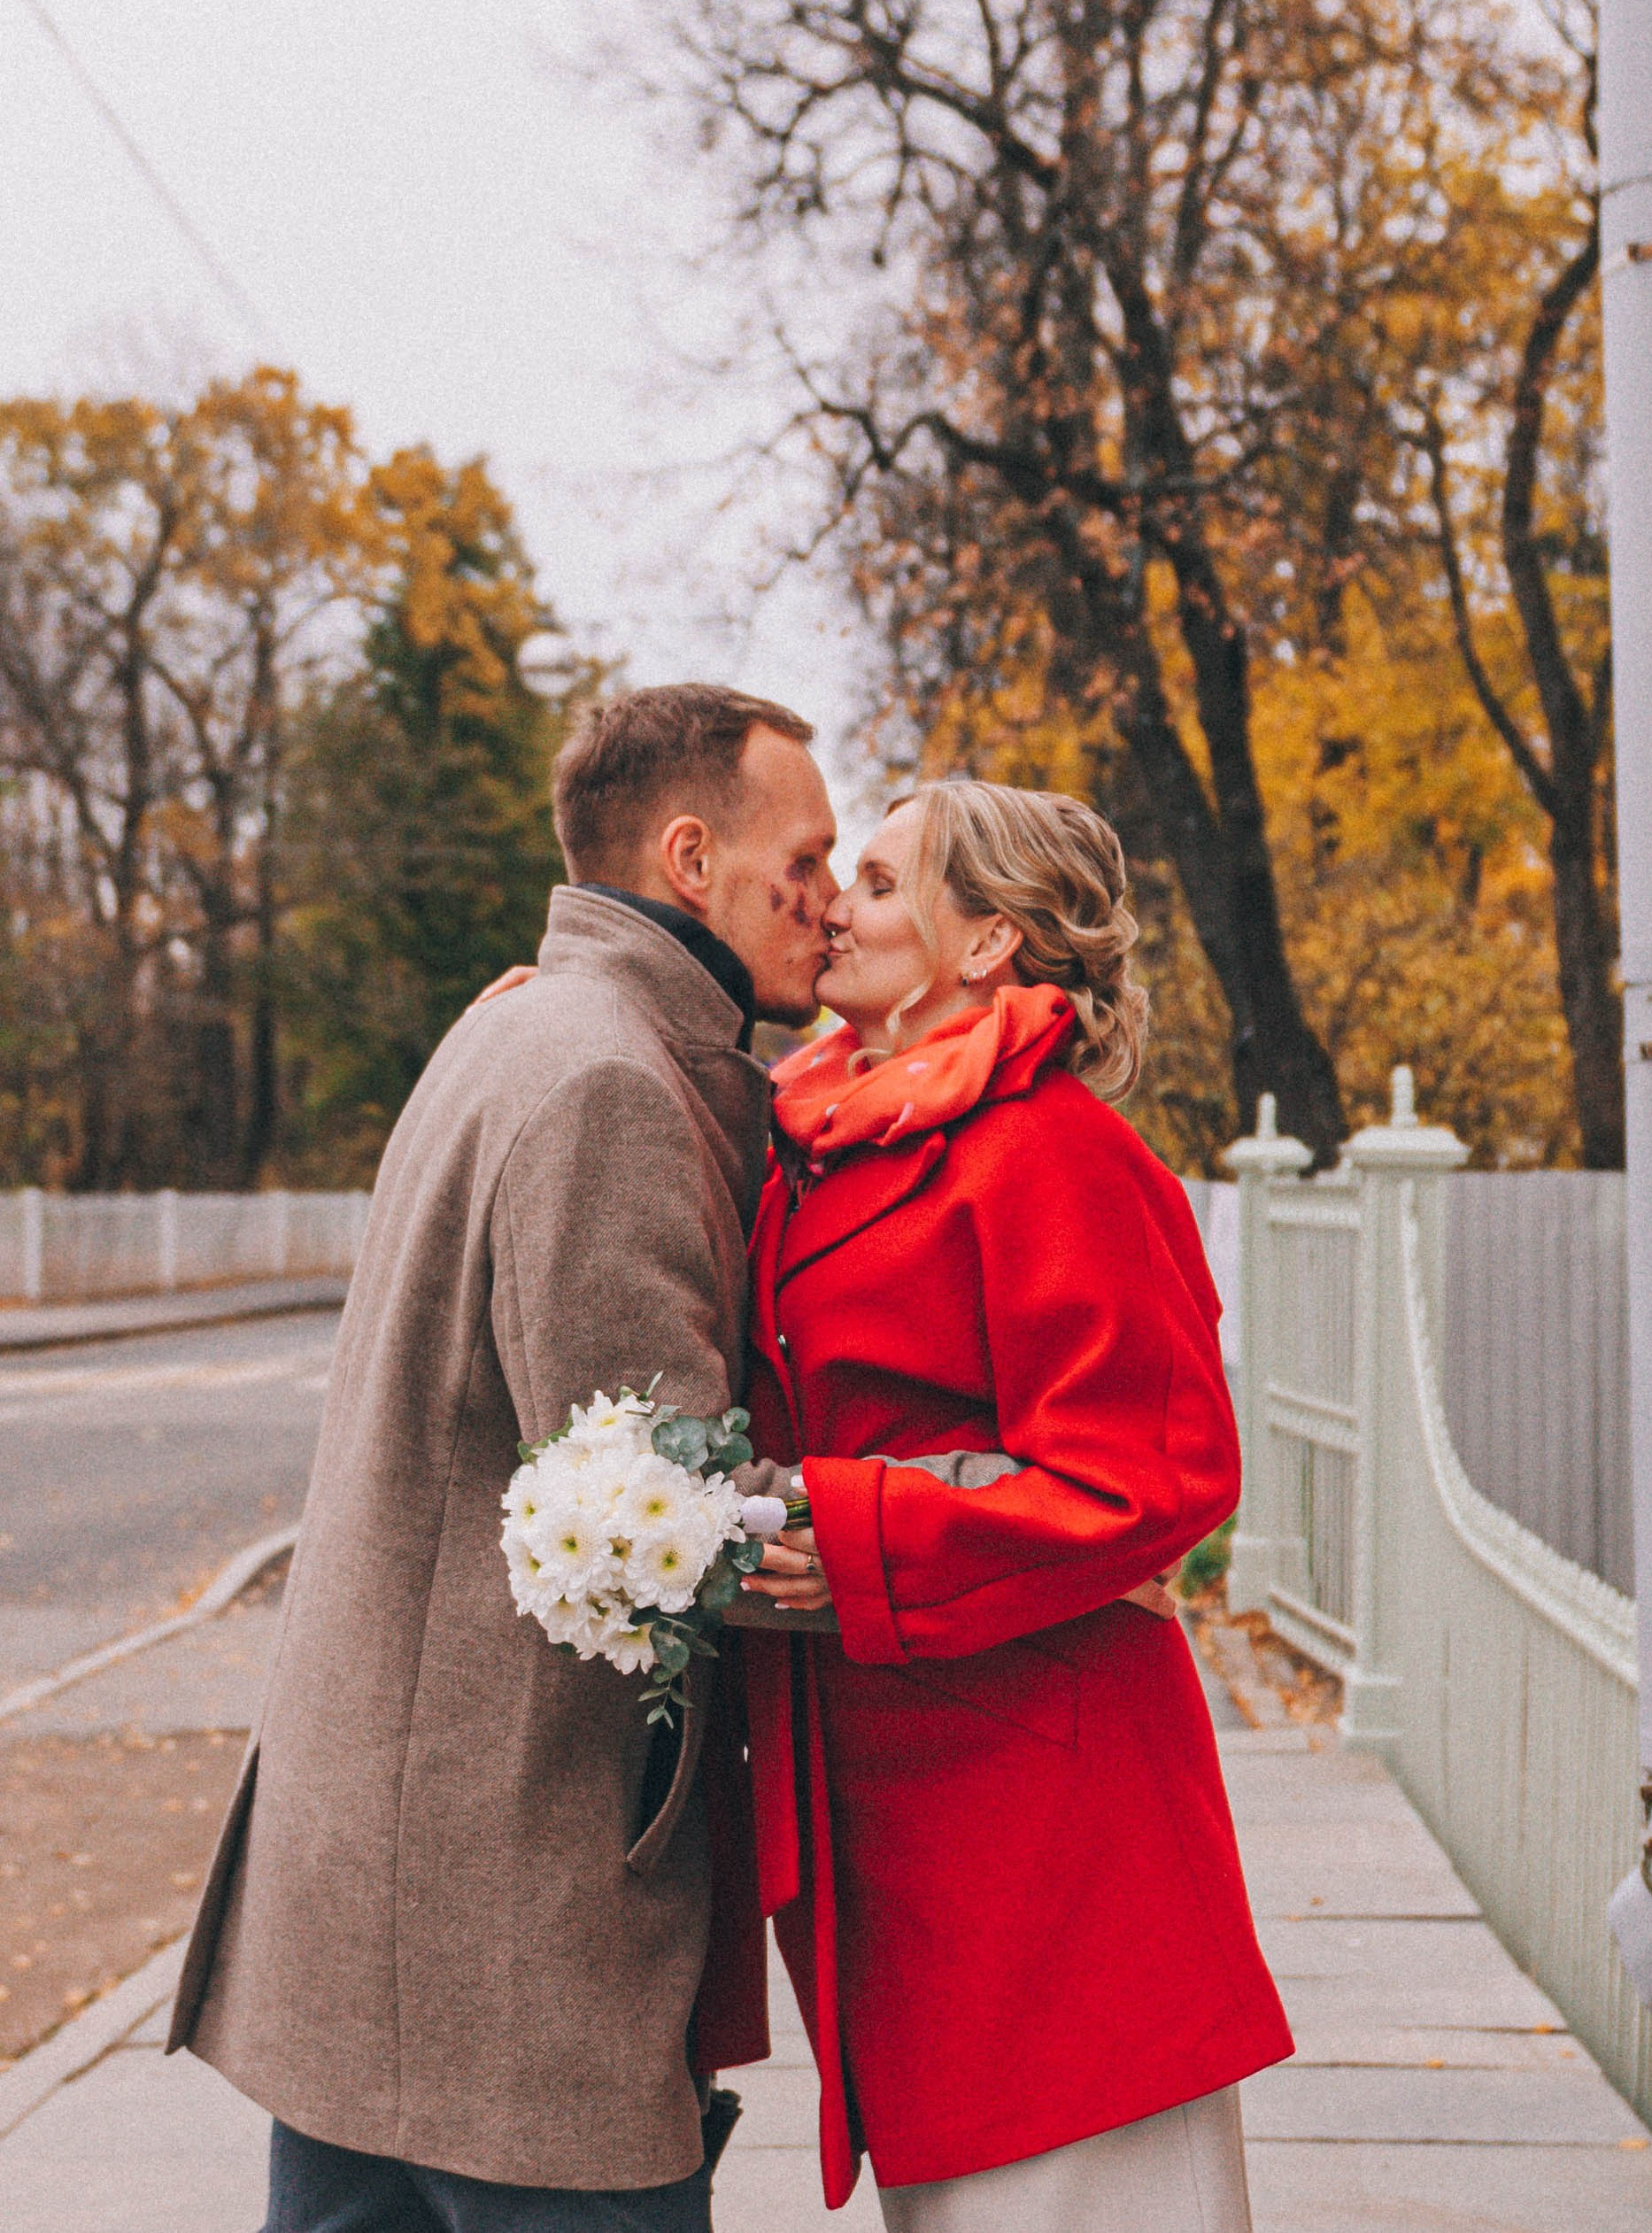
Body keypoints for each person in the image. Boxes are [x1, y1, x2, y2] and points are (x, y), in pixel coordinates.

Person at [171, 684, 840, 2233]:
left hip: (376, 1924)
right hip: (509, 1941)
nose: (824, 892)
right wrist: (1007, 1533)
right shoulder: (607, 1077)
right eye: (799, 860)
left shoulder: (521, 1027)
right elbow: (647, 1521)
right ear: (691, 858)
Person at [739, 778, 1292, 2228]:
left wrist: (855, 1527)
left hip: (1052, 1829)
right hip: (910, 1809)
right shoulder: (823, 1133)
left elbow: (1154, 1471)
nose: (832, 906)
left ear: (983, 941)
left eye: (872, 878)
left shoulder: (1052, 1149)